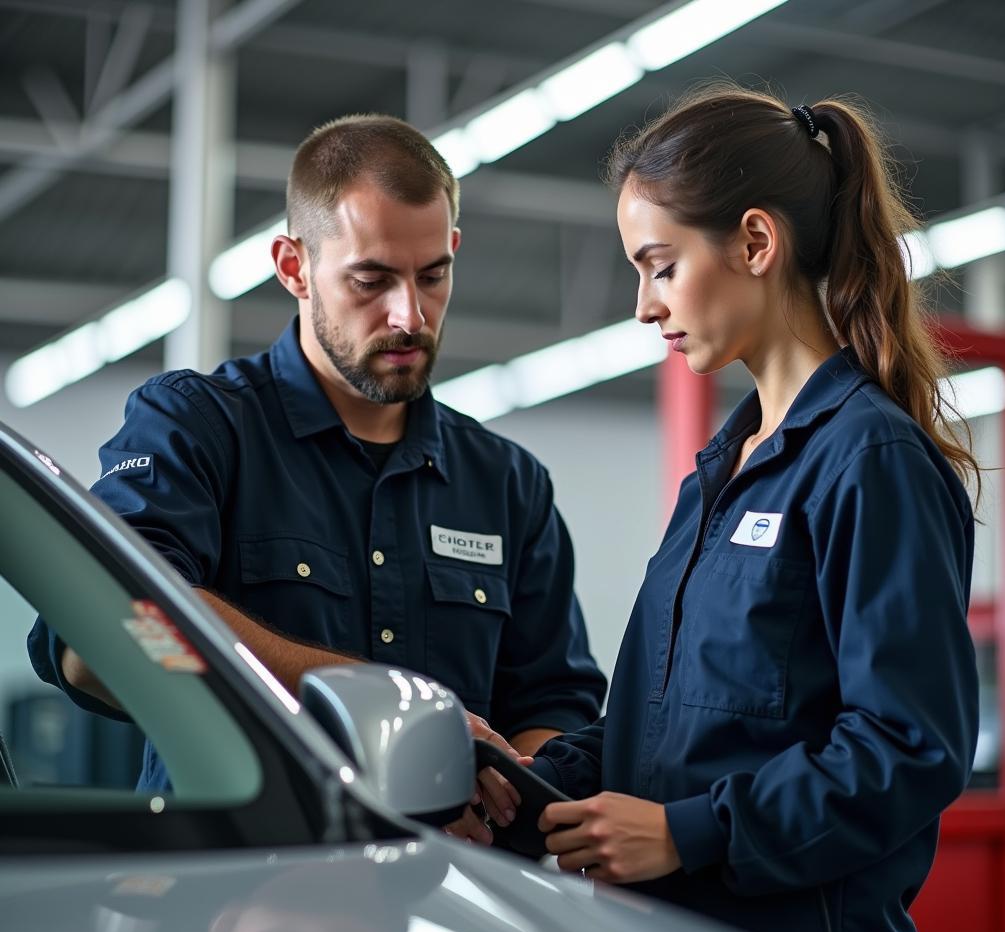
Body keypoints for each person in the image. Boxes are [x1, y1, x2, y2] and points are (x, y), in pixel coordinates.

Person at [524, 87, 979, 932]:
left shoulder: (869, 459)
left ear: (757, 244)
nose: (644, 306)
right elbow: (656, 729)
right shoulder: (718, 476)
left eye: (659, 267)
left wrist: (691, 834)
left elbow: (908, 748)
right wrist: (524, 782)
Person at [27, 115, 606, 827]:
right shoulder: (199, 428)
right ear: (294, 266)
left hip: (447, 893)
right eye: (371, 279)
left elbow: (555, 707)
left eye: (433, 275)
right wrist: (378, 701)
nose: (409, 315)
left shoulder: (508, 483)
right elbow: (103, 636)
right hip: (232, 899)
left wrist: (505, 796)